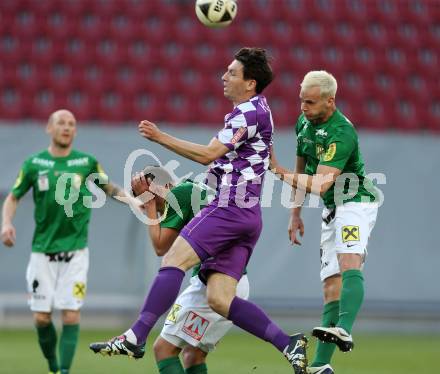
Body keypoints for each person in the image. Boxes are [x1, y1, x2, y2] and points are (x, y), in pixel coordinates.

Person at [90, 47, 308, 374]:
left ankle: (136, 336)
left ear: (250, 83)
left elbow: (208, 155)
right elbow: (225, 157)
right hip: (249, 217)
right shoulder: (261, 109)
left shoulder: (246, 113)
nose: (224, 76)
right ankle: (288, 343)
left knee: (172, 261)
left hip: (230, 208)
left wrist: (159, 136)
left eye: (232, 72)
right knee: (220, 299)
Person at [0, 109, 130, 374]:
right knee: (41, 317)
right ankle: (52, 365)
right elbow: (13, 197)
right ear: (49, 128)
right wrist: (6, 223)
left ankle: (64, 372)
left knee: (70, 314)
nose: (67, 127)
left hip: (76, 253)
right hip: (42, 252)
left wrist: (135, 201)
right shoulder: (35, 164)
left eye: (71, 124)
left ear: (76, 131)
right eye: (61, 123)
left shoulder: (86, 162)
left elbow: (109, 188)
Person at [269, 71, 379, 374]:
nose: (303, 107)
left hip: (355, 202)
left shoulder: (342, 132)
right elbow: (300, 170)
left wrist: (276, 171)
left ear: (330, 101)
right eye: (301, 100)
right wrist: (295, 213)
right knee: (331, 288)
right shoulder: (303, 124)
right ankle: (320, 365)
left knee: (348, 260)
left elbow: (319, 185)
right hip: (332, 210)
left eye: (311, 102)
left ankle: (344, 327)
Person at [126, 166, 250, 374]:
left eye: (153, 199)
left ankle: (284, 343)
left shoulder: (178, 194)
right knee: (193, 355)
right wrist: (149, 203)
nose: (156, 210)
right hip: (233, 280)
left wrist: (148, 205)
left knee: (163, 350)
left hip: (213, 284)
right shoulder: (191, 189)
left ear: (164, 186)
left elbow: (160, 246)